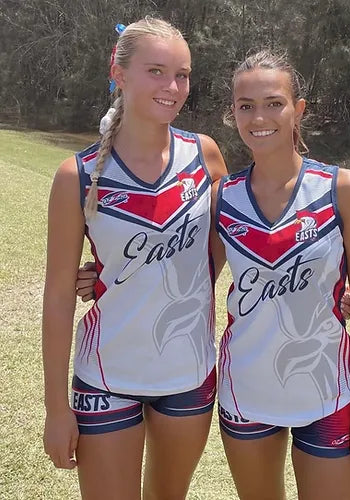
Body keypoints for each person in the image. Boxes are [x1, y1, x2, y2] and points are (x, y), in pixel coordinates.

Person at [42, 17, 227, 500]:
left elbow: (225, 247)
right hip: (106, 376)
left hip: (187, 376)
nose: (172, 87)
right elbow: (59, 298)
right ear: (118, 72)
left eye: (182, 74)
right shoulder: (77, 176)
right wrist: (55, 408)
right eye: (156, 71)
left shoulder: (205, 157)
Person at [212, 50, 350, 500]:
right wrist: (100, 275)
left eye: (274, 103)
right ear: (233, 114)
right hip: (245, 391)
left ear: (298, 110)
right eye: (245, 106)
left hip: (328, 392)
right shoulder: (223, 197)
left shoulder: (341, 188)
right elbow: (187, 277)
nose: (259, 117)